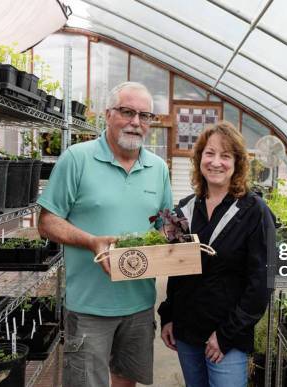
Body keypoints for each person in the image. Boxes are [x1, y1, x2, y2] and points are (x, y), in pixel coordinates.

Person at [37, 81, 172, 387]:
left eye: (144, 116)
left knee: (126, 380)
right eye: (127, 112)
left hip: (139, 302)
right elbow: (47, 221)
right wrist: (91, 241)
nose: (136, 122)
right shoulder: (77, 159)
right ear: (108, 115)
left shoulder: (158, 169)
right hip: (89, 305)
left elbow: (163, 223)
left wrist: (171, 243)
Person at [158, 121, 275, 387]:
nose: (216, 162)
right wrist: (169, 315)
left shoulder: (254, 211)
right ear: (199, 159)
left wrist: (225, 334)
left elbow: (261, 283)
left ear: (237, 163)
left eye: (225, 155)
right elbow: (178, 269)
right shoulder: (185, 208)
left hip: (227, 337)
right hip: (187, 332)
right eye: (209, 153)